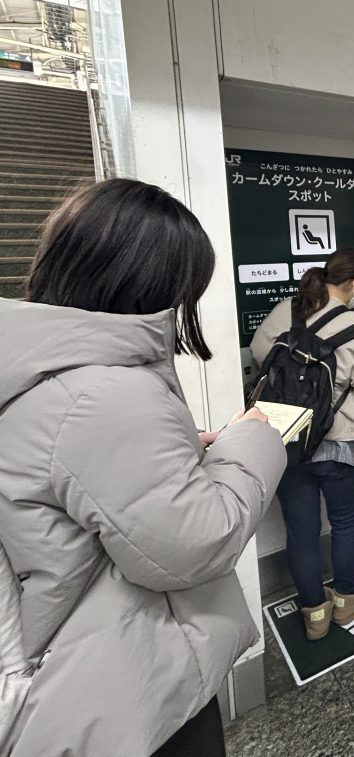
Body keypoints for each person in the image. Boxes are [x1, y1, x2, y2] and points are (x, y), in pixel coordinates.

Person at [0, 179, 286, 756]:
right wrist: (255, 439)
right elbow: (197, 542)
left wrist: (183, 458)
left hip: (75, 672)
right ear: (145, 280)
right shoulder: (104, 392)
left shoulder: (40, 368)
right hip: (124, 683)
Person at [251, 248, 354, 640]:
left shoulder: (288, 310)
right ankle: (347, 600)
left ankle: (314, 614)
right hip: (339, 444)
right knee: (346, 522)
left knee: (301, 532)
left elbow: (261, 353)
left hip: (289, 441)